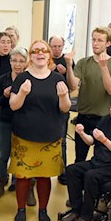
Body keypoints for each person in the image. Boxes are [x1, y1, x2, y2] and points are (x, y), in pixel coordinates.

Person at [9, 40, 71, 221]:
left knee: (45, 177)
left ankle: (43, 210)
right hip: (24, 136)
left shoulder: (57, 79)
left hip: (50, 137)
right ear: (31, 56)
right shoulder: (22, 78)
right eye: (35, 51)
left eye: (43, 50)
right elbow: (13, 105)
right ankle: (21, 209)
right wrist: (22, 93)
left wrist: (63, 96)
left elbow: (65, 108)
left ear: (49, 54)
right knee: (23, 176)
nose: (40, 53)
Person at [65, 27, 111, 163]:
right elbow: (73, 86)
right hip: (84, 116)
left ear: (108, 43)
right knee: (79, 158)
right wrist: (69, 66)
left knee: (103, 158)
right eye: (93, 39)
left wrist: (103, 67)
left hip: (104, 118)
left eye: (100, 40)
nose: (95, 43)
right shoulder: (83, 62)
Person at [0, 47, 28, 201]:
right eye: (14, 61)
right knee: (3, 154)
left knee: (20, 154)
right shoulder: (3, 79)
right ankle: (0, 183)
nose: (17, 64)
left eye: (21, 61)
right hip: (4, 121)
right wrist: (5, 96)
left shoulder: (28, 79)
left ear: (26, 63)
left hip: (23, 122)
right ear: (10, 62)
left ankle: (18, 182)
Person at [49, 35, 74, 185]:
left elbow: (73, 86)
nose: (57, 49)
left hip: (62, 108)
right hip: (46, 107)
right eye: (54, 46)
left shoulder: (68, 61)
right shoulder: (44, 60)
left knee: (62, 141)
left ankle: (63, 172)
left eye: (59, 46)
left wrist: (67, 70)